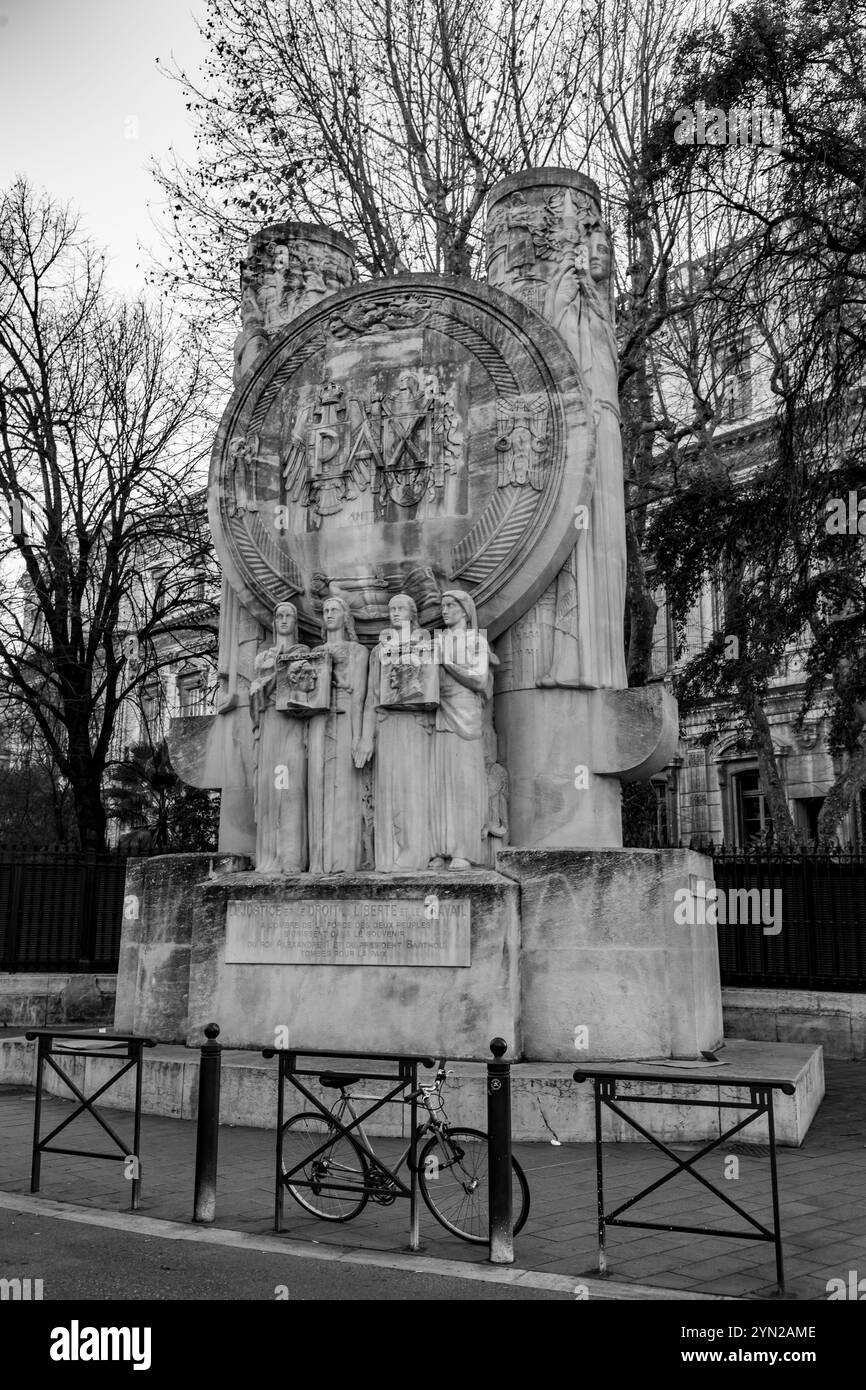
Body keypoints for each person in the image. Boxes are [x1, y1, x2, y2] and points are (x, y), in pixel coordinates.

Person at [357, 593, 435, 871]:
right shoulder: (379, 651)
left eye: (401, 608)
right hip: (386, 724)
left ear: (413, 613)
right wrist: (366, 737)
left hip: (414, 724)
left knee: (412, 789)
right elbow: (370, 698)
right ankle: (389, 856)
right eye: (391, 608)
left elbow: (432, 691)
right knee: (387, 790)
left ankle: (415, 853)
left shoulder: (426, 645)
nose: (395, 612)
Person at [306, 594, 369, 873]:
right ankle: (319, 861)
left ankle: (345, 860)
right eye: (326, 610)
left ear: (346, 616)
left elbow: (359, 695)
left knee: (345, 785)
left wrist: (358, 735)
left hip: (345, 717)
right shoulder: (314, 652)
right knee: (318, 784)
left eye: (335, 610)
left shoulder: (357, 651)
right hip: (319, 719)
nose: (329, 614)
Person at [429, 589, 490, 869]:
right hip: (440, 712)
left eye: (451, 605)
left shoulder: (475, 640)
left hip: (465, 713)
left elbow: (478, 680)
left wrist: (446, 663)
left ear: (465, 611)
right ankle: (442, 848)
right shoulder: (437, 641)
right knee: (442, 783)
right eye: (442, 605)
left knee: (464, 783)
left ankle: (464, 850)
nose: (445, 610)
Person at [249, 601, 311, 872]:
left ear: (295, 623)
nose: (284, 619)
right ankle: (271, 855)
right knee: (272, 788)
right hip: (271, 723)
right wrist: (278, 671)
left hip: (294, 723)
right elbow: (256, 690)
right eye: (279, 616)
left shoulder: (304, 652)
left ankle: (292, 855)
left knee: (292, 787)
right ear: (273, 622)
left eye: (289, 616)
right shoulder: (263, 657)